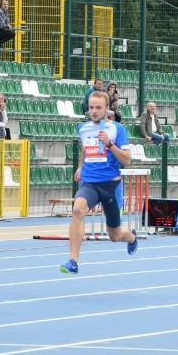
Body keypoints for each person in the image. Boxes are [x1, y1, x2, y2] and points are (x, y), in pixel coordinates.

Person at [60, 91, 137, 274]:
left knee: (114, 235)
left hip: (111, 186)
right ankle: (73, 261)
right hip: (90, 183)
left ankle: (132, 237)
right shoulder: (83, 128)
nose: (94, 111)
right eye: (91, 107)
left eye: (98, 108)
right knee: (78, 209)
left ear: (107, 109)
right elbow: (86, 150)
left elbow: (126, 161)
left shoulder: (118, 129)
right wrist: (80, 167)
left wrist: (110, 144)